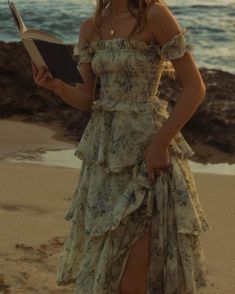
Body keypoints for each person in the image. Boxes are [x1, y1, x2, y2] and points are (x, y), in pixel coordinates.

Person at [31, 0, 210, 293]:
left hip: (146, 154)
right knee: (109, 267)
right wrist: (56, 86)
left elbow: (195, 87)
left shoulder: (154, 15)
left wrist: (161, 143)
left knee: (134, 271)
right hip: (104, 157)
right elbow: (86, 98)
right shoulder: (90, 27)